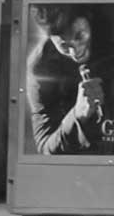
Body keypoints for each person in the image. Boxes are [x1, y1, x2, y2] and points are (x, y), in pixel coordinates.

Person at [25, 9, 101, 155]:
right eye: (64, 46)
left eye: (79, 36)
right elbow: (45, 147)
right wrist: (77, 115)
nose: (75, 52)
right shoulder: (41, 69)